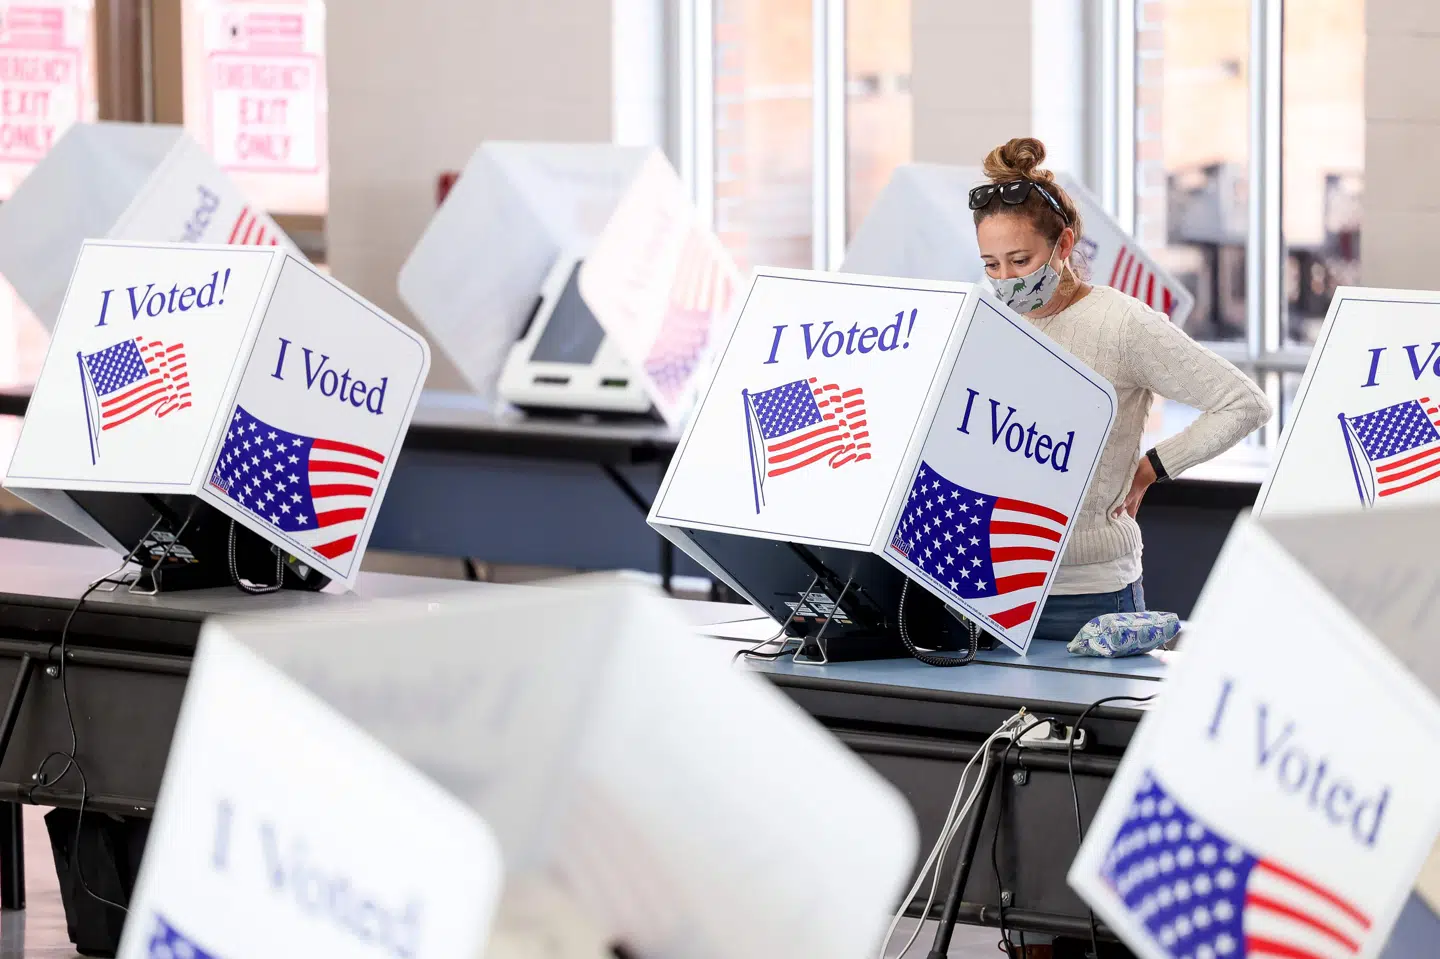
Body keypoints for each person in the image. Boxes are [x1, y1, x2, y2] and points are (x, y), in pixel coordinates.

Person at [970, 137, 1271, 643]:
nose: (1006, 280)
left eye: (1020, 261)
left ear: (1064, 246)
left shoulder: (1120, 323)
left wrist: (1152, 467)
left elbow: (1244, 403)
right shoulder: (990, 320)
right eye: (991, 265)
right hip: (989, 587)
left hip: (1089, 595)